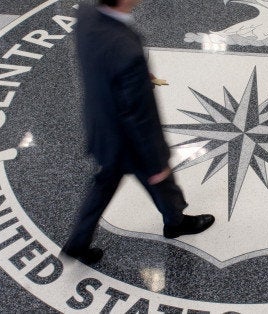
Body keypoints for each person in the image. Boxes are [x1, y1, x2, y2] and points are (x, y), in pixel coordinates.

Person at [61, 0, 215, 265]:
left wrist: (135, 77)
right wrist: (156, 160)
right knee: (160, 178)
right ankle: (175, 222)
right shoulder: (126, 52)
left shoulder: (86, 14)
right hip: (128, 140)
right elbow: (139, 118)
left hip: (101, 124)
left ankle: (77, 242)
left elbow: (101, 60)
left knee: (104, 185)